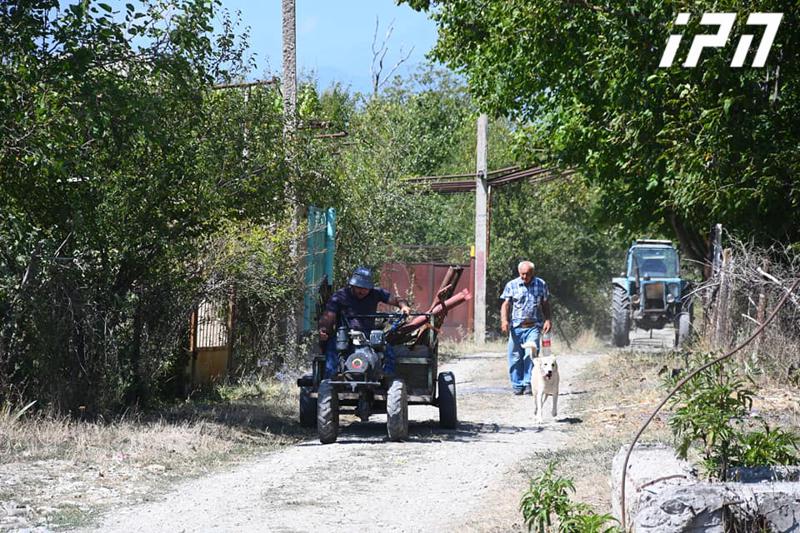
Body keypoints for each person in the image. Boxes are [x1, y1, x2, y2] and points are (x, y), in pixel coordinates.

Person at [318, 266, 412, 379]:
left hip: (369, 335)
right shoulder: (340, 296)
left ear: (370, 287)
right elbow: (329, 315)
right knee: (332, 351)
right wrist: (324, 329)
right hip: (345, 336)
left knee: (388, 352)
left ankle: (386, 379)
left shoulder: (376, 293)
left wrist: (404, 306)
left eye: (365, 288)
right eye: (358, 287)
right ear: (352, 285)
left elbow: (397, 300)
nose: (361, 290)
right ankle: (331, 379)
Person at [500, 261, 552, 395]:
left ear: (532, 273)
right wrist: (504, 320)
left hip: (534, 326)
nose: (524, 276)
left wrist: (548, 319)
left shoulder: (541, 284)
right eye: (522, 274)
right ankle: (517, 385)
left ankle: (528, 383)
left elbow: (545, 303)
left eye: (527, 274)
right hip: (516, 327)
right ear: (519, 273)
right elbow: (506, 304)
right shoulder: (512, 285)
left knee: (530, 354)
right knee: (515, 356)